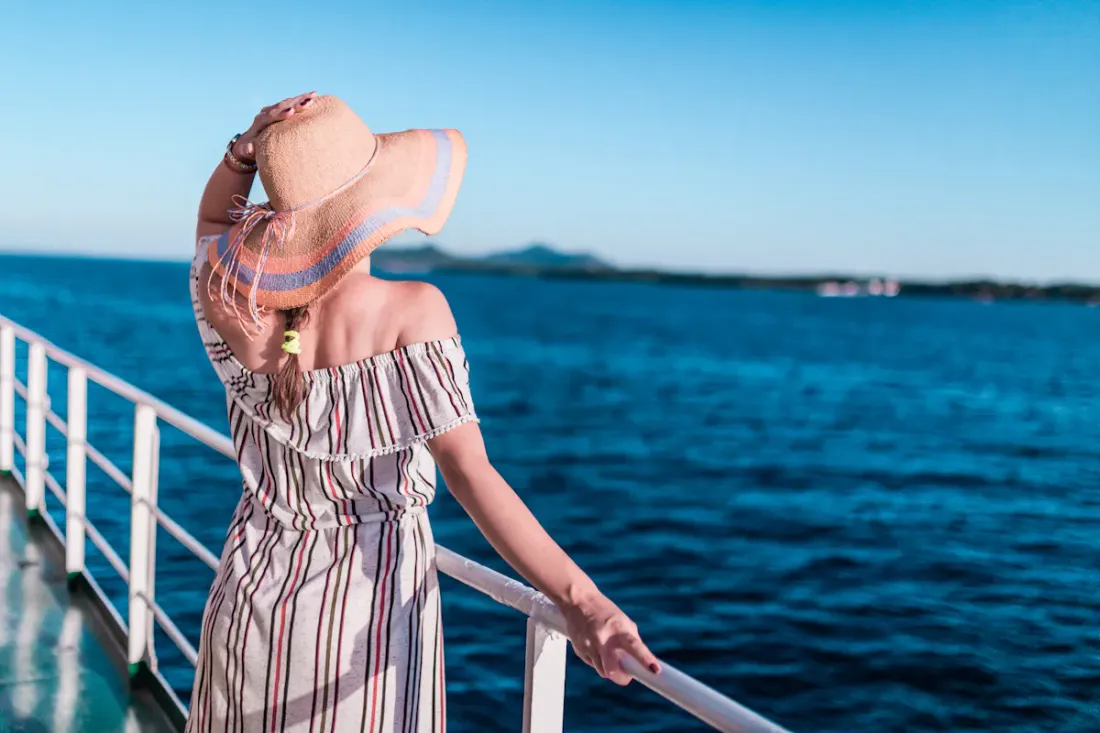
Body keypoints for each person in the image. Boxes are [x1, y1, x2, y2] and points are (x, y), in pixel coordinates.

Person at [187, 92, 659, 733]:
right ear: (370, 207)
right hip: (365, 622)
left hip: (249, 603)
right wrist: (583, 601)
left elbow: (213, 225)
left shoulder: (229, 300)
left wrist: (244, 150)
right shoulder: (413, 311)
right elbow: (470, 473)